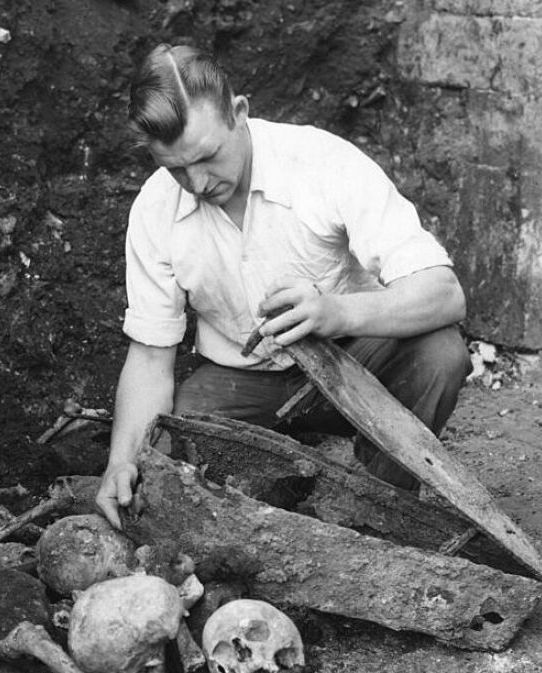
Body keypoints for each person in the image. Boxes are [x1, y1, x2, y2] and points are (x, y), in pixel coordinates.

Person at [95, 43, 472, 529]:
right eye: (175, 168)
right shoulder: (154, 210)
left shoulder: (322, 162)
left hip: (355, 363)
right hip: (244, 380)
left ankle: (381, 502)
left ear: (239, 112)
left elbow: (445, 293)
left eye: (208, 156)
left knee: (439, 354)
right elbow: (150, 357)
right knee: (165, 462)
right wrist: (121, 461)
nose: (198, 182)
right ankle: (287, 488)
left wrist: (337, 313)